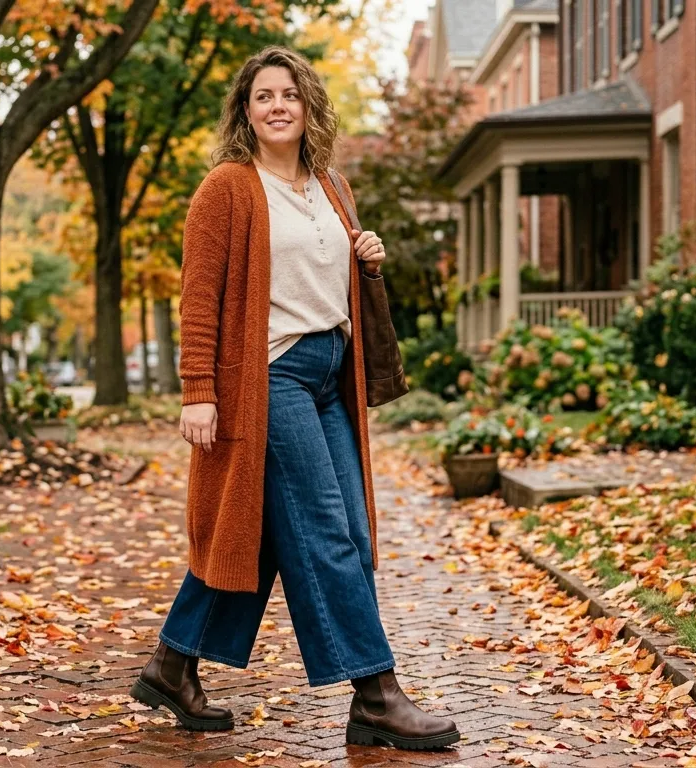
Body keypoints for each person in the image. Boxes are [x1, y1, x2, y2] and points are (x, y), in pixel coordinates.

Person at [128, 46, 460, 751]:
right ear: (246, 113)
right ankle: (376, 694)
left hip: (329, 373)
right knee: (325, 533)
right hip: (269, 378)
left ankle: (172, 662)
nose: (277, 106)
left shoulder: (333, 185)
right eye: (262, 97)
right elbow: (199, 297)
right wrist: (197, 392)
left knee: (319, 535)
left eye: (289, 94)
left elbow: (330, 282)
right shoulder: (227, 188)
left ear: (308, 105)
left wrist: (363, 258)